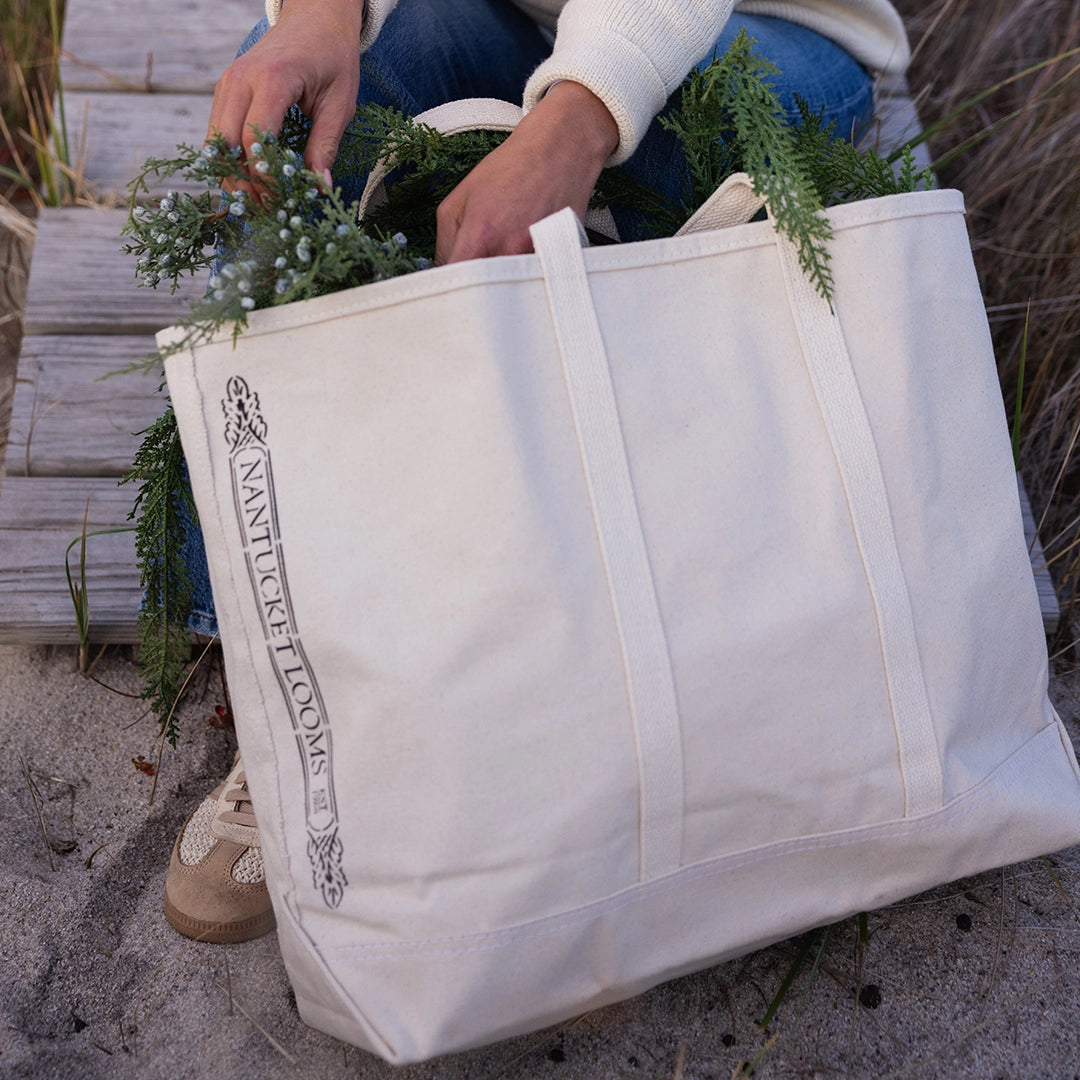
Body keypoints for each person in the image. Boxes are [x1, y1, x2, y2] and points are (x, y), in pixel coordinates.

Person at [163, 0, 911, 944]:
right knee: (298, 108)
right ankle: (310, 687)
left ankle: (577, 709)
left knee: (658, 156)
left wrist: (582, 113)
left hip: (764, 31)